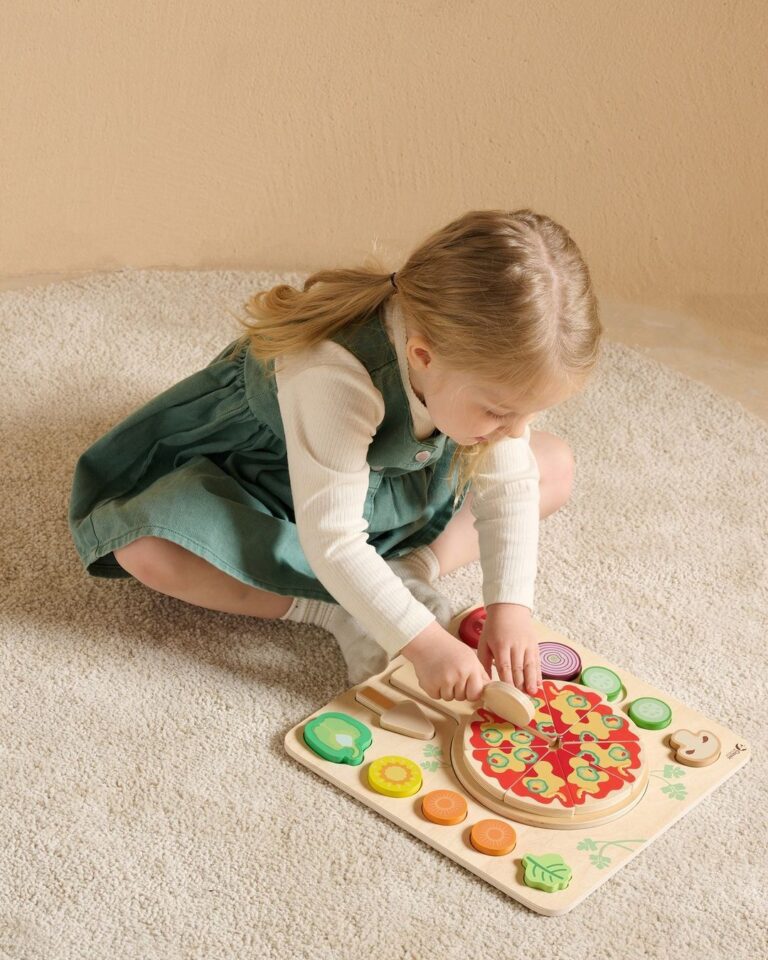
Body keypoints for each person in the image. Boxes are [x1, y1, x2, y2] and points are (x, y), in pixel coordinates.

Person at [68, 208, 602, 704]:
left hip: (390, 488)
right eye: (500, 412)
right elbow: (334, 537)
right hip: (276, 492)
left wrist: (511, 607)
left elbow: (507, 485)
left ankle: (408, 568)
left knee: (552, 466)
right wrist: (424, 643)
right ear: (423, 356)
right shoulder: (332, 376)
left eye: (526, 414)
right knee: (150, 548)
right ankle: (334, 607)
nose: (515, 430)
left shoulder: (464, 381)